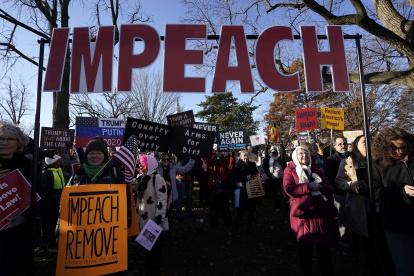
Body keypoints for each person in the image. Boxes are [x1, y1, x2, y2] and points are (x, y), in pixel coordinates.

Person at [283, 145, 337, 276]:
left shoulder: (316, 170)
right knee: (305, 250)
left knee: (323, 249)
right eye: (301, 153)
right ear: (295, 156)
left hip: (320, 215)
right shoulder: (290, 170)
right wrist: (308, 187)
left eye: (306, 153)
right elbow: (289, 189)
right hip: (303, 216)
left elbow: (329, 187)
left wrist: (321, 186)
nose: (304, 156)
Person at [375, 128, 414, 276]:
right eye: (394, 148)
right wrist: (401, 192)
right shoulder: (379, 165)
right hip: (397, 224)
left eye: (402, 147)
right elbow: (376, 192)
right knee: (406, 267)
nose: (399, 152)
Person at [0, 122, 32, 276]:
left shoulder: (28, 165)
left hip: (19, 230)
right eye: (1, 138)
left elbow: (37, 196)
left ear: (18, 142)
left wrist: (25, 216)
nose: (4, 142)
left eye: (10, 139)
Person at [136, 153, 168, 274]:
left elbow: (162, 199)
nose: (140, 165)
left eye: (142, 163)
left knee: (155, 246)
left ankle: (155, 267)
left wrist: (159, 217)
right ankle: (149, 264)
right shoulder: (142, 177)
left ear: (150, 164)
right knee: (146, 244)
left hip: (154, 218)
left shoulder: (157, 178)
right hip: (144, 217)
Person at [39, 154, 65, 252]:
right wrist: (55, 194)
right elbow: (44, 189)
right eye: (58, 161)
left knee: (53, 223)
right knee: (47, 224)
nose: (60, 162)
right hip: (48, 204)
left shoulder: (59, 171)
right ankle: (45, 244)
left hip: (55, 203)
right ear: (53, 162)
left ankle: (52, 241)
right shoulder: (47, 173)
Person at [232, 150, 260, 235]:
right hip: (242, 192)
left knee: (251, 211)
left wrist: (253, 177)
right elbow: (235, 179)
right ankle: (235, 228)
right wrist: (245, 178)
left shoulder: (252, 164)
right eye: (244, 156)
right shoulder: (237, 166)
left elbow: (256, 174)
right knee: (240, 212)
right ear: (240, 157)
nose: (245, 157)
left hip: (252, 191)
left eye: (247, 156)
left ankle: (249, 228)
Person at [262, 145, 284, 211]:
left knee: (284, 193)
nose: (273, 154)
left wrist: (282, 146)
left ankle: (286, 204)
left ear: (277, 153)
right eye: (272, 152)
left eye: (275, 152)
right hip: (273, 180)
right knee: (275, 194)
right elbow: (266, 156)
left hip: (282, 179)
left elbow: (283, 154)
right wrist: (266, 147)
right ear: (270, 153)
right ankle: (277, 206)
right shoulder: (268, 160)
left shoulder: (280, 159)